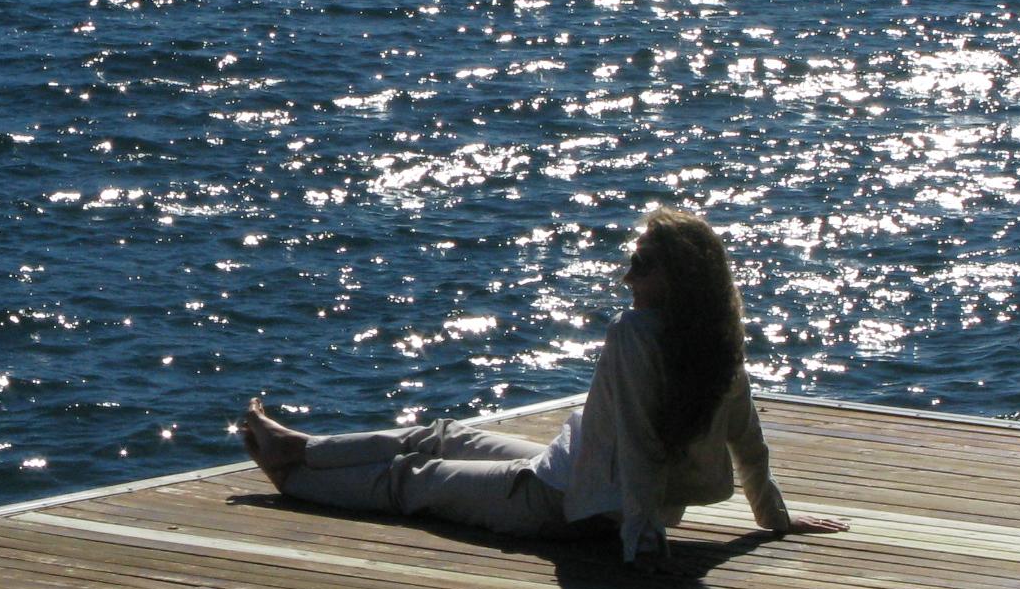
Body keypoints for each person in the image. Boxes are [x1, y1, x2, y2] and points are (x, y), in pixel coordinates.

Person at [238, 206, 847, 567]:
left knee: (411, 482)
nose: (625, 272)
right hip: (581, 474)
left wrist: (641, 543)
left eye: (641, 265)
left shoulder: (635, 333)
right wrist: (774, 517)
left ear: (675, 280)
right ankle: (304, 448)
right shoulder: (715, 338)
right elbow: (748, 441)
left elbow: (639, 442)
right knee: (442, 434)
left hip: (561, 501)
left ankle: (293, 477)